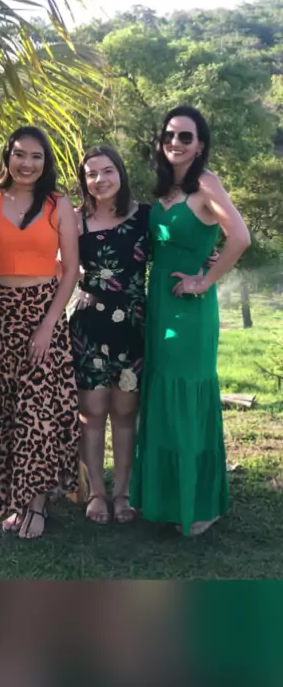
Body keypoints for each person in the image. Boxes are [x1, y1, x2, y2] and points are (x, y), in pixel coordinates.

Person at [130, 105, 251, 536]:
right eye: (169, 135)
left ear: (200, 145)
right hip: (159, 305)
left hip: (190, 310)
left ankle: (197, 504)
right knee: (162, 396)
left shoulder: (206, 183)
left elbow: (240, 237)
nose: (175, 143)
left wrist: (204, 281)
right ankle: (164, 499)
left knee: (185, 397)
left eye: (186, 136)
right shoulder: (166, 188)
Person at [0, 125, 80, 539]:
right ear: (7, 157)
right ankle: (14, 499)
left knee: (38, 408)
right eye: (19, 154)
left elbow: (71, 271)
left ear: (45, 162)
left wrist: (48, 325)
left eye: (36, 156)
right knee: (3, 408)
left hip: (43, 312)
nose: (26, 164)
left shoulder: (57, 204)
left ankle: (37, 503)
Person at [68, 145, 151, 524]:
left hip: (132, 325)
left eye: (107, 171)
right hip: (89, 326)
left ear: (120, 173)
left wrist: (204, 266)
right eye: (91, 174)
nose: (100, 179)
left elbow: (176, 250)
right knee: (92, 411)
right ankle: (96, 493)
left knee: (125, 411)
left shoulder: (145, 216)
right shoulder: (75, 220)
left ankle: (123, 492)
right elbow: (60, 266)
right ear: (83, 180)